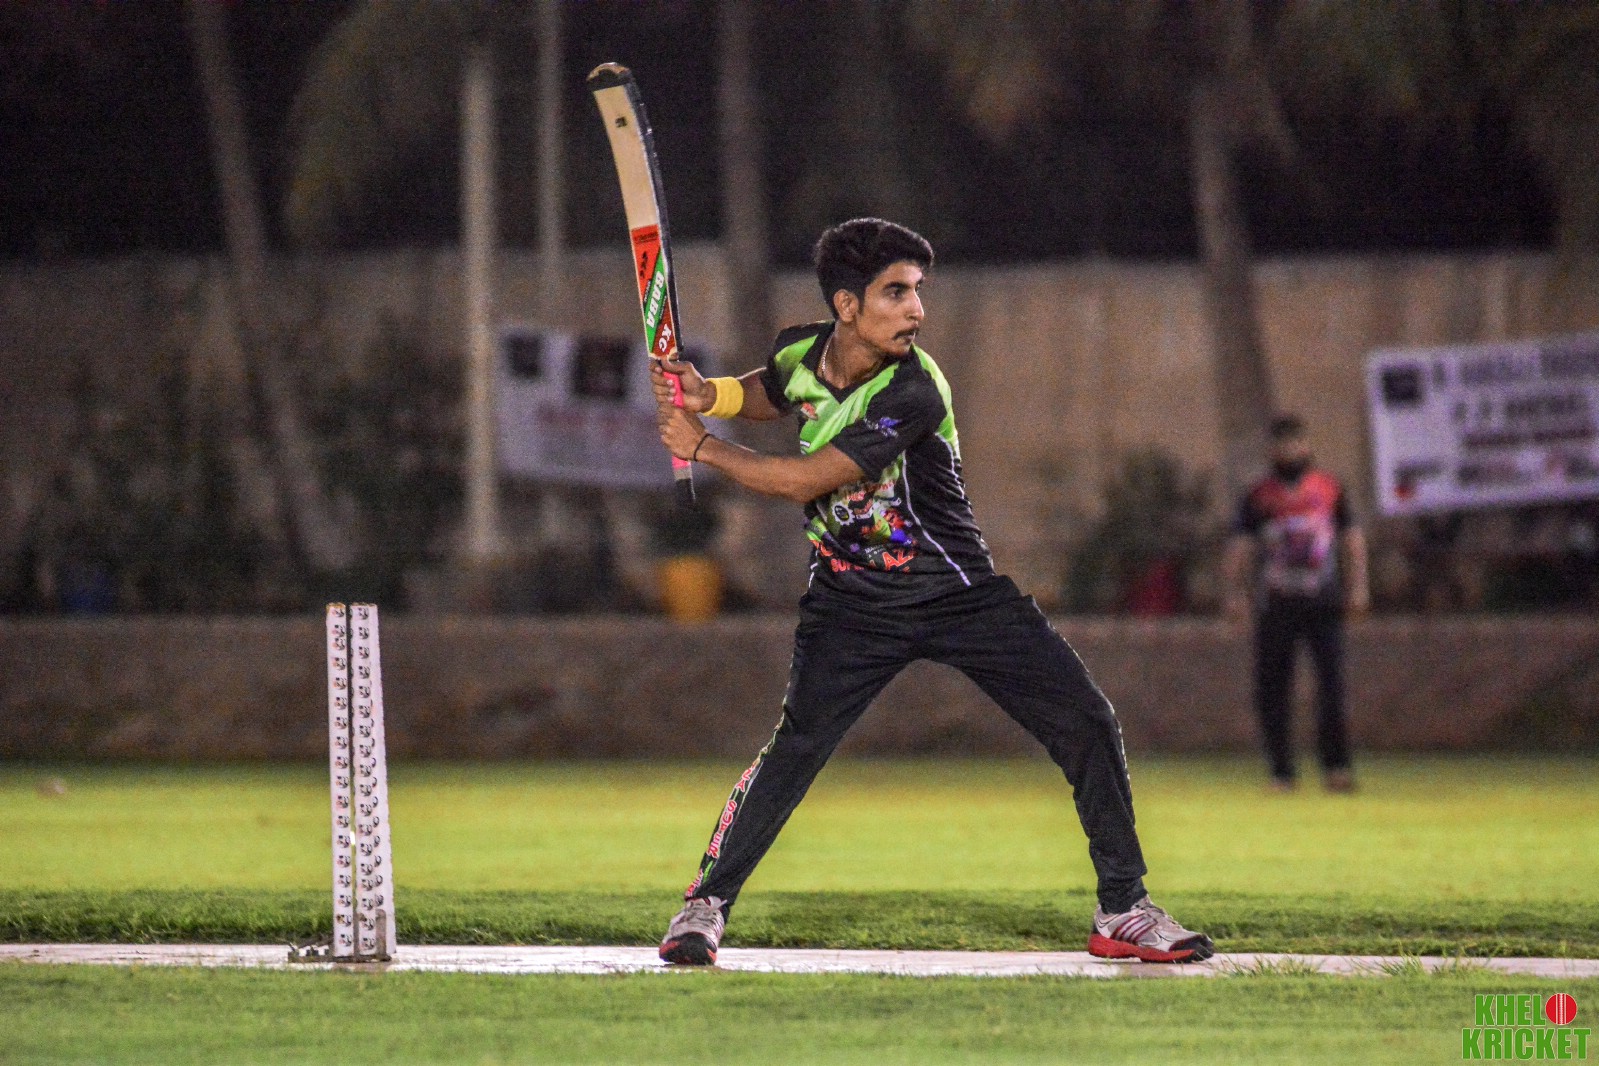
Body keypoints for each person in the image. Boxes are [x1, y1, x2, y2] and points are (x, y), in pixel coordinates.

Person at [647, 218, 1212, 966]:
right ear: (846, 306)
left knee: (1085, 721)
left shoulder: (912, 389)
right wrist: (711, 394)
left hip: (957, 594)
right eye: (896, 292)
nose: (916, 309)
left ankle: (1124, 909)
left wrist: (703, 447)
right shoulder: (798, 350)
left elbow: (805, 480)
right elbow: (773, 390)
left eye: (917, 291)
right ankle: (703, 908)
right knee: (796, 748)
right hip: (849, 603)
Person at [1221, 415, 1370, 793]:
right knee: (1272, 688)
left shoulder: (1328, 488)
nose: (1290, 451)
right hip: (1277, 603)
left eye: (1295, 443)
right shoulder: (1259, 496)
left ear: (1306, 445)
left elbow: (1351, 539)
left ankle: (1336, 767)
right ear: (1273, 449)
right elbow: (1240, 547)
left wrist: (1358, 587)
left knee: (1331, 685)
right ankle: (1281, 771)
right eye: (1283, 444)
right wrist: (1235, 594)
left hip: (1322, 601)